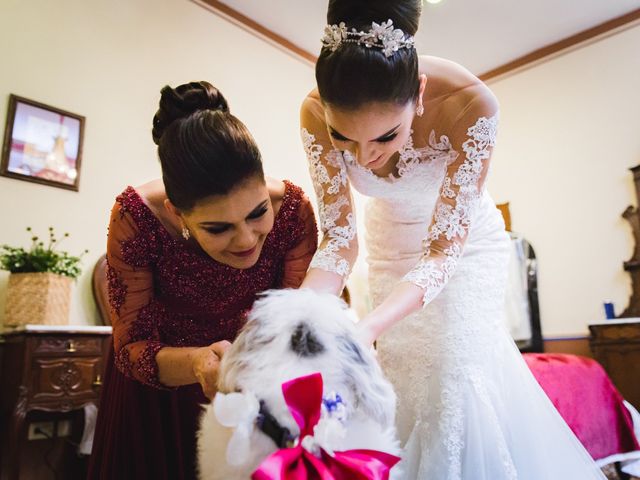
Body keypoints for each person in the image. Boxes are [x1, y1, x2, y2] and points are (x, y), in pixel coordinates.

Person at [299, 1, 607, 478]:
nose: (368, 158)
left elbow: (443, 250)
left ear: (418, 94)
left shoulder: (471, 104)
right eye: (346, 139)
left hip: (462, 251)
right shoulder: (314, 112)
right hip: (389, 250)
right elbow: (339, 239)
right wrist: (294, 319)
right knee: (406, 382)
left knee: (451, 376)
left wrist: (366, 328)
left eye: (386, 136)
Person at [87, 81, 318, 479]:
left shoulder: (294, 212)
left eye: (257, 213)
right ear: (177, 213)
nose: (247, 239)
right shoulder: (135, 219)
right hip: (158, 397)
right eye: (218, 227)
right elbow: (129, 348)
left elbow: (300, 317)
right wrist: (196, 363)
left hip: (254, 390)